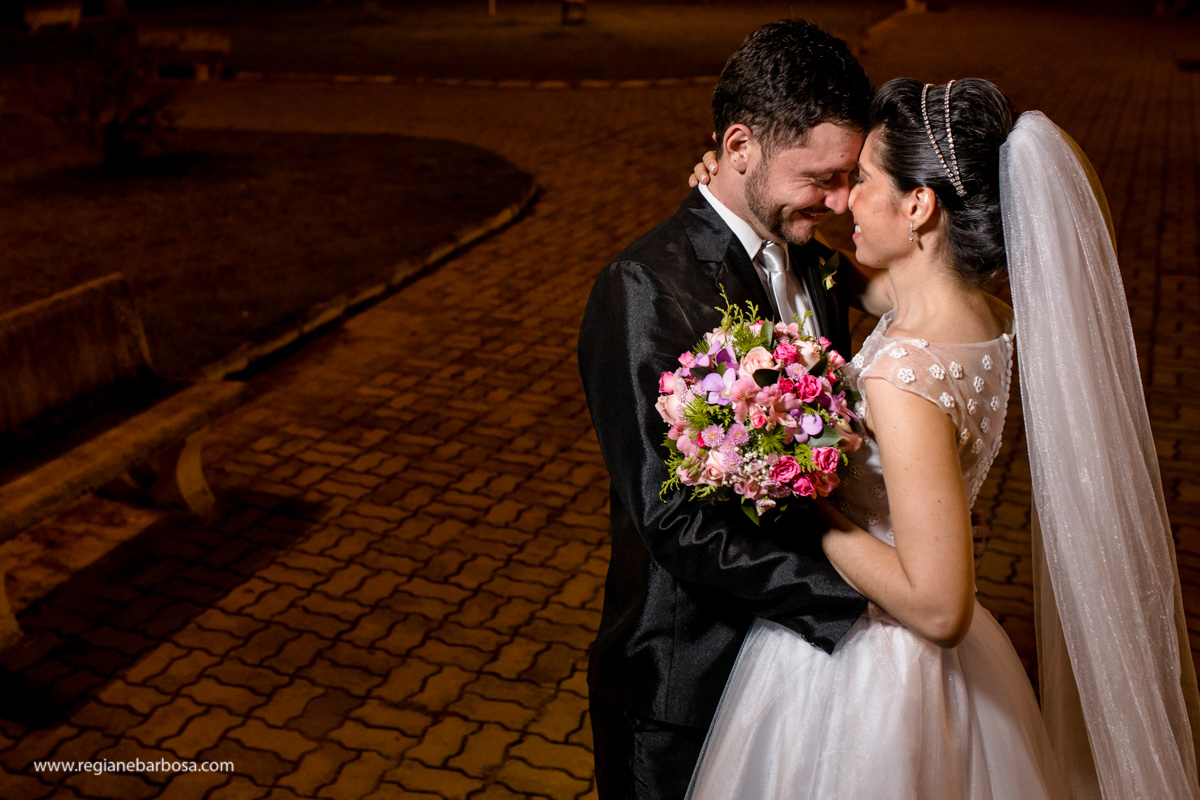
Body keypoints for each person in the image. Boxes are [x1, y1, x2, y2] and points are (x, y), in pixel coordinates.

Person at [683, 78, 1200, 799]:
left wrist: (807, 507)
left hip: (875, 673)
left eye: (861, 180)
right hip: (950, 684)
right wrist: (749, 198)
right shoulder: (981, 312)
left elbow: (940, 605)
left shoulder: (903, 378)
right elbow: (856, 283)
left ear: (920, 205)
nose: (843, 200)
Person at [576, 20, 874, 799]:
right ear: (740, 148)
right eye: (822, 178)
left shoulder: (816, 264)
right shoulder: (644, 288)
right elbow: (673, 519)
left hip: (791, 680)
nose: (841, 201)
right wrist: (862, 600)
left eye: (848, 178)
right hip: (681, 691)